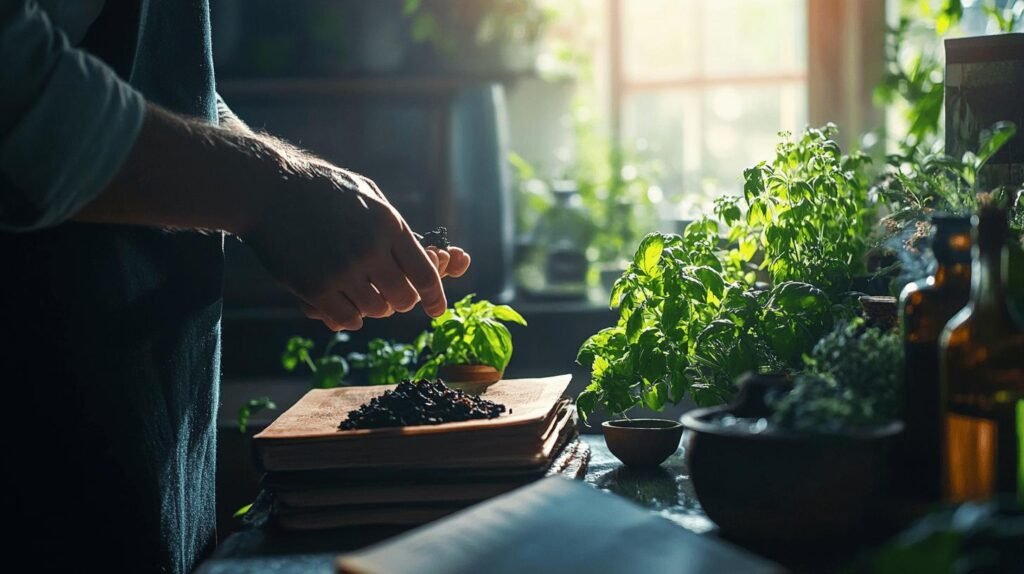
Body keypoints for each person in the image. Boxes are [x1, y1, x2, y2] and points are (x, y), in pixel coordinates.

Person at [0, 2, 469, 571]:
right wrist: (272, 191)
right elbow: (19, 90)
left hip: (149, 406)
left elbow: (166, 86)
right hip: (37, 421)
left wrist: (290, 198)